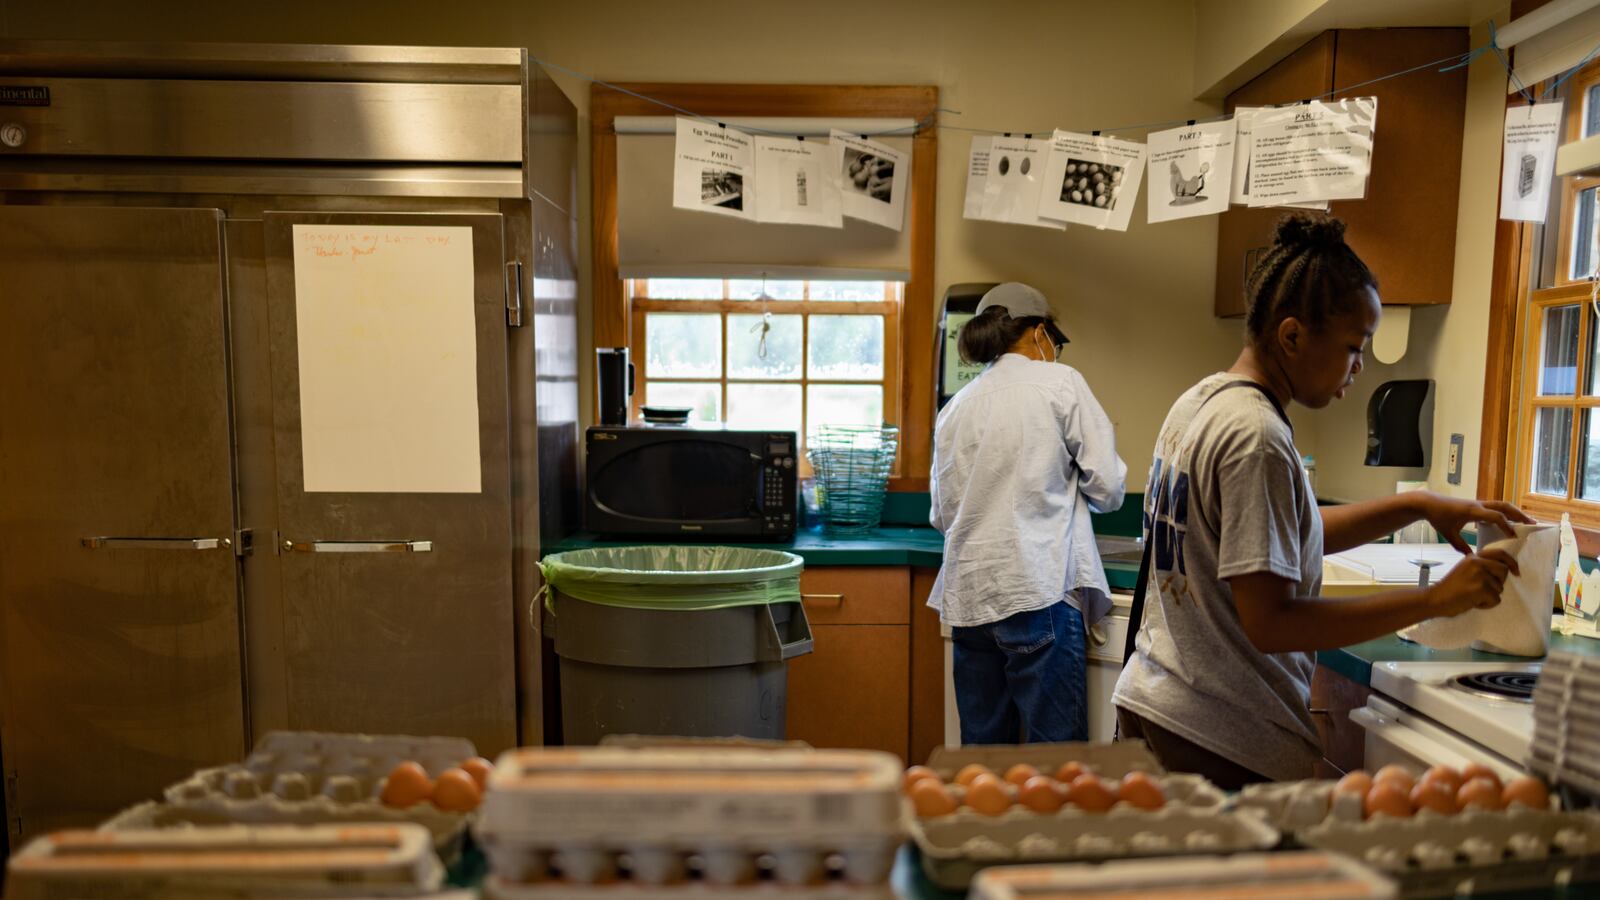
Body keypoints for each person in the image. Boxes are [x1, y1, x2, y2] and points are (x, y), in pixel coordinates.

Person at [1112, 214, 1529, 788]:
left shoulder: (1204, 401)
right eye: (1354, 348)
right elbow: (1273, 622)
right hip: (1218, 739)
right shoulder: (1256, 436)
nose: (1360, 368)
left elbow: (1280, 537)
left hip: (1162, 707)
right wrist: (1434, 600)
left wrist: (1419, 506)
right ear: (1291, 337)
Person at [929, 282, 1127, 744]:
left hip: (971, 599)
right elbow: (1110, 488)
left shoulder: (956, 407)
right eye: (1054, 341)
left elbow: (942, 515)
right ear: (1040, 332)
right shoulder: (1061, 382)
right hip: (1037, 591)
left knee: (983, 763)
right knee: (1054, 767)